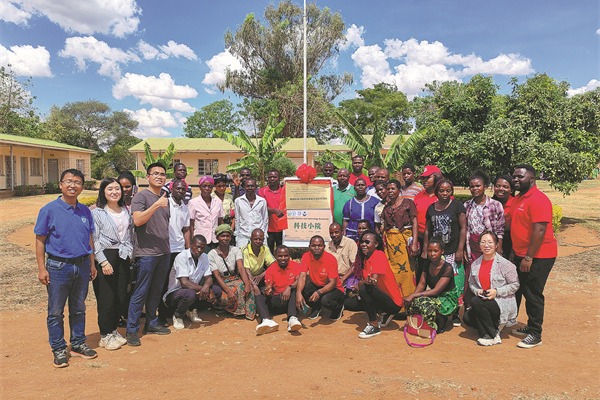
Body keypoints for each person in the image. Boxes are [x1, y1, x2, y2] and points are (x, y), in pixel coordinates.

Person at [35, 169, 98, 367]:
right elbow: (40, 240)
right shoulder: (49, 209)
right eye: (69, 181)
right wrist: (41, 268)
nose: (73, 185)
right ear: (61, 184)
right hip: (57, 266)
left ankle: (78, 343)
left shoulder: (85, 211)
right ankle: (59, 348)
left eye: (77, 182)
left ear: (82, 187)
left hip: (81, 265)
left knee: (79, 308)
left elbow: (89, 238)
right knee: (55, 310)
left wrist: (92, 263)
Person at [510, 164, 557, 349]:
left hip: (539, 255)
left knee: (533, 293)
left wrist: (529, 258)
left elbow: (540, 230)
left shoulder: (538, 199)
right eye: (514, 176)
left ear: (531, 178)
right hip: (522, 253)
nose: (515, 179)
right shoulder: (519, 198)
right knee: (523, 289)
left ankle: (536, 334)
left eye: (520, 177)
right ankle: (529, 326)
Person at [126, 162, 172, 347]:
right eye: (155, 174)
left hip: (163, 251)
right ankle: (132, 330)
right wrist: (157, 205)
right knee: (141, 291)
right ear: (148, 176)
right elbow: (137, 220)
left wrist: (161, 202)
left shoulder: (163, 197)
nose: (159, 177)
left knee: (156, 290)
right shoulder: (141, 196)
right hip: (146, 253)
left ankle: (151, 323)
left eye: (162, 174)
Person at [91, 178, 133, 351]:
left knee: (120, 295)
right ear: (103, 192)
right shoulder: (97, 213)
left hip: (123, 255)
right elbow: (94, 239)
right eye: (110, 189)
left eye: (117, 188)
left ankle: (114, 330)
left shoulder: (126, 210)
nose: (115, 192)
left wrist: (130, 253)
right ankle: (105, 334)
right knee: (106, 297)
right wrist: (103, 261)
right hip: (106, 256)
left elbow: (129, 235)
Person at [422, 178, 466, 325]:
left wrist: (460, 249)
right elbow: (428, 230)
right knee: (438, 283)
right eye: (441, 190)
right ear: (437, 192)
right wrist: (425, 249)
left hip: (452, 251)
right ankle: (440, 309)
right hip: (435, 253)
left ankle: (454, 313)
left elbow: (463, 228)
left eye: (448, 190)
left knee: (455, 283)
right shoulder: (431, 208)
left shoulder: (457, 206)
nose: (445, 193)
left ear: (452, 191)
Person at [463, 232, 519, 346]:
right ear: (479, 245)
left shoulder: (505, 264)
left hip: (500, 301)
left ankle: (490, 335)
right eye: (483, 242)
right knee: (467, 318)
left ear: (497, 245)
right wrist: (477, 291)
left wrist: (497, 291)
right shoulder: (475, 264)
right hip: (484, 301)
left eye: (490, 242)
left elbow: (515, 284)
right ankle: (494, 327)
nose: (486, 245)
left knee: (475, 301)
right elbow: (471, 283)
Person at [404, 238, 460, 333]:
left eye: (435, 251)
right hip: (435, 296)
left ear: (442, 251)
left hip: (447, 298)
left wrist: (413, 295)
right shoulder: (427, 263)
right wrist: (412, 299)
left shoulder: (447, 268)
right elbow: (422, 284)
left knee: (424, 304)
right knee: (413, 303)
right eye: (430, 251)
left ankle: (442, 318)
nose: (432, 254)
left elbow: (436, 290)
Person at [356, 231, 404, 339]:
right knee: (352, 302)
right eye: (362, 242)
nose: (363, 244)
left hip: (393, 303)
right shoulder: (366, 259)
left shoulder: (379, 255)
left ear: (376, 244)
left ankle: (374, 325)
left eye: (367, 242)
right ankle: (382, 312)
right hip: (382, 296)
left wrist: (362, 283)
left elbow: (373, 280)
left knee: (364, 288)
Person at [157, 179, 191, 325]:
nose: (180, 191)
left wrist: (187, 250)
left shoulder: (185, 208)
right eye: (178, 188)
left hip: (179, 249)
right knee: (162, 282)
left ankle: (174, 312)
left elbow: (186, 230)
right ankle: (161, 315)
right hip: (165, 249)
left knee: (176, 282)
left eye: (183, 189)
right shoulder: (165, 203)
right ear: (171, 189)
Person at [163, 235, 213, 330]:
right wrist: (205, 289)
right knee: (191, 294)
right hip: (175, 293)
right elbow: (184, 283)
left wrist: (207, 286)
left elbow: (209, 277)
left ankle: (191, 310)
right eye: (197, 246)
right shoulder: (181, 257)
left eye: (202, 248)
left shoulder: (204, 257)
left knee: (217, 291)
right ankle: (177, 315)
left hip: (193, 291)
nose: (199, 250)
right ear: (190, 244)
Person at [381, 179, 418, 300]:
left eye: (393, 189)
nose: (390, 191)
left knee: (407, 271)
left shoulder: (407, 203)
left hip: (405, 241)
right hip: (392, 244)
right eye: (388, 189)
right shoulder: (386, 208)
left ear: (399, 190)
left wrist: (414, 243)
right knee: (393, 272)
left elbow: (414, 222)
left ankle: (408, 299)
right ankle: (397, 301)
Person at [209, 224, 256, 319]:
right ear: (217, 238)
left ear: (230, 237)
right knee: (232, 292)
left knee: (247, 285)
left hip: (233, 278)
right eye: (222, 236)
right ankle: (227, 308)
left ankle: (248, 313)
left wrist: (247, 284)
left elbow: (241, 268)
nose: (225, 238)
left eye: (227, 236)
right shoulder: (211, 254)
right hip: (221, 281)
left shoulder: (235, 250)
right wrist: (228, 291)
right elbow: (217, 276)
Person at [255, 246, 303, 334]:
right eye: (280, 256)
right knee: (259, 295)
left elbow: (300, 279)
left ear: (289, 256)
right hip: (278, 299)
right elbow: (269, 285)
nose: (283, 258)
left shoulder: (295, 266)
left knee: (294, 289)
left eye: (286, 256)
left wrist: (289, 287)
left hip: (291, 301)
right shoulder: (271, 269)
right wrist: (268, 290)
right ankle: (266, 320)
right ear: (276, 257)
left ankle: (292, 319)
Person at [296, 236, 345, 321]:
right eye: (313, 245)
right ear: (309, 247)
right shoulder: (306, 256)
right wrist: (298, 293)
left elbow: (332, 283)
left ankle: (338, 308)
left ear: (324, 246)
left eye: (320, 245)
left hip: (334, 288)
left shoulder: (331, 259)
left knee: (325, 300)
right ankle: (317, 308)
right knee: (303, 289)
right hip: (317, 285)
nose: (317, 248)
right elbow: (302, 276)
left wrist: (319, 292)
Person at [464, 170, 505, 262]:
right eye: (472, 186)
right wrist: (465, 249)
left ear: (485, 186)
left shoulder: (495, 205)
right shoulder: (466, 205)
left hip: (489, 244)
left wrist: (499, 247)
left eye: (478, 186)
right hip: (473, 245)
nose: (475, 189)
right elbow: (465, 228)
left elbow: (500, 230)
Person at [413, 166, 443, 282]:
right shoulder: (419, 196)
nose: (424, 181)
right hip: (421, 239)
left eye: (427, 178)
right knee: (422, 269)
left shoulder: (443, 195)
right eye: (423, 179)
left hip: (438, 240)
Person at [188, 176, 223, 252]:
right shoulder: (193, 202)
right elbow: (191, 224)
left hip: (215, 239)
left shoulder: (218, 202)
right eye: (204, 186)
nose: (207, 188)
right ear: (200, 187)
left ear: (212, 187)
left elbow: (220, 221)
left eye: (209, 186)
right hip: (200, 240)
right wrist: (192, 240)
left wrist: (221, 237)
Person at [234, 178, 268, 249]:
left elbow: (265, 219)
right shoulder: (238, 201)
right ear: (244, 187)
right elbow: (237, 219)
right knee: (242, 257)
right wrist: (237, 236)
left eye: (252, 186)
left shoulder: (262, 201)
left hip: (259, 237)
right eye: (248, 186)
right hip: (243, 236)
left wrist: (264, 234)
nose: (250, 188)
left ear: (256, 187)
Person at [242, 228, 275, 296]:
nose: (258, 241)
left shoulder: (264, 248)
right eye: (255, 239)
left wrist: (261, 276)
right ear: (251, 239)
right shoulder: (245, 250)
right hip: (247, 276)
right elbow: (246, 270)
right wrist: (253, 284)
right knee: (253, 291)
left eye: (260, 239)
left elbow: (273, 264)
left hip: (260, 276)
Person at [258, 169, 285, 253]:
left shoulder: (285, 191)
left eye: (274, 177)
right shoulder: (262, 191)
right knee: (268, 251)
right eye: (270, 177)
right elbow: (261, 207)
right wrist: (274, 211)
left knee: (281, 250)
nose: (272, 179)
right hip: (268, 228)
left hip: (283, 228)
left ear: (279, 178)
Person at [326, 222, 358, 291]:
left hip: (346, 279)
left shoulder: (350, 243)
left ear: (342, 232)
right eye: (331, 233)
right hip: (331, 279)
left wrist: (343, 279)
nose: (334, 235)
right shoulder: (328, 245)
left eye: (336, 232)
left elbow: (354, 264)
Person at [492, 175, 515, 257]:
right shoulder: (490, 204)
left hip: (510, 242)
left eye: (505, 187)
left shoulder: (515, 204)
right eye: (498, 186)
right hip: (491, 240)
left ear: (511, 190)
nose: (501, 189)